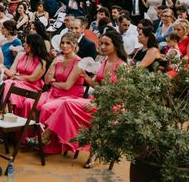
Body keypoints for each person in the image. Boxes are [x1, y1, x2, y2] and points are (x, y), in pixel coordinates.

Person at [40, 29, 128, 161]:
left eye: (107, 44)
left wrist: (98, 102)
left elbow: (120, 94)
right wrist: (86, 77)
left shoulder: (123, 66)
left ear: (116, 45)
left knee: (67, 103)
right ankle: (49, 139)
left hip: (110, 106)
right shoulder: (104, 62)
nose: (102, 47)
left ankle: (45, 137)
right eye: (101, 43)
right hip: (95, 101)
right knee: (64, 104)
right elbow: (99, 87)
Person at [38, 33, 85, 129]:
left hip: (70, 96)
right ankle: (30, 133)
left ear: (74, 45)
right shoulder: (58, 58)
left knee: (45, 108)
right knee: (31, 103)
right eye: (62, 43)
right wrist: (53, 64)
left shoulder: (79, 62)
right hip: (53, 93)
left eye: (68, 43)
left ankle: (44, 138)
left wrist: (53, 82)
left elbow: (67, 86)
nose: (64, 45)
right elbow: (46, 81)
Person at [0, 33, 49, 118]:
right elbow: (11, 73)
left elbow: (33, 78)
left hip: (33, 86)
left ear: (32, 45)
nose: (23, 44)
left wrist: (18, 77)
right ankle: (7, 112)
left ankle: (6, 113)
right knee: (6, 83)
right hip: (17, 82)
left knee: (9, 83)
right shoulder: (20, 55)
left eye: (26, 43)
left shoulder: (42, 60)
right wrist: (2, 67)